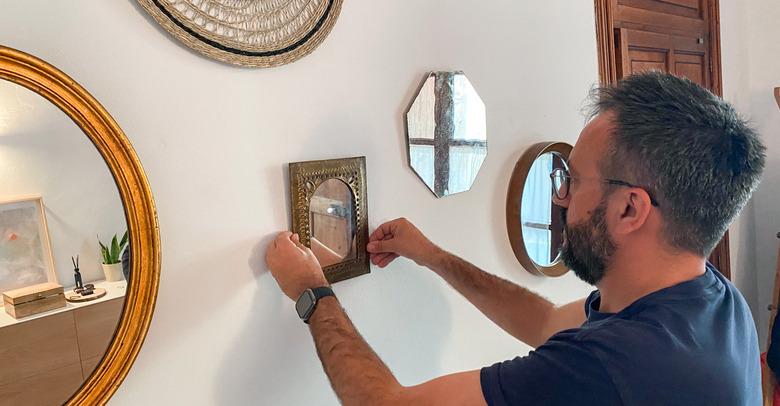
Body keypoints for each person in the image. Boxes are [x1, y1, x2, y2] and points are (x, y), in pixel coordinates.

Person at [266, 71, 766, 405]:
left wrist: (313, 294)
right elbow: (544, 320)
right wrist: (433, 256)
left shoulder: (611, 367)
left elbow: (385, 404)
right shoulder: (713, 298)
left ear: (630, 208)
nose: (561, 197)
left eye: (571, 180)